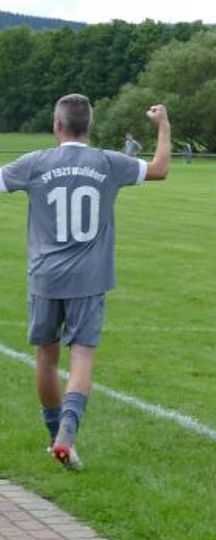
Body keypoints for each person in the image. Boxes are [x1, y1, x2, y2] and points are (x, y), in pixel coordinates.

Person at [0, 94, 171, 469]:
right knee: (81, 355)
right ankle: (67, 435)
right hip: (89, 278)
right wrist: (163, 125)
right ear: (89, 126)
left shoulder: (35, 163)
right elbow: (160, 169)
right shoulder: (108, 162)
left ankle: (54, 435)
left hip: (45, 277)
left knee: (46, 357)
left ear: (57, 125)